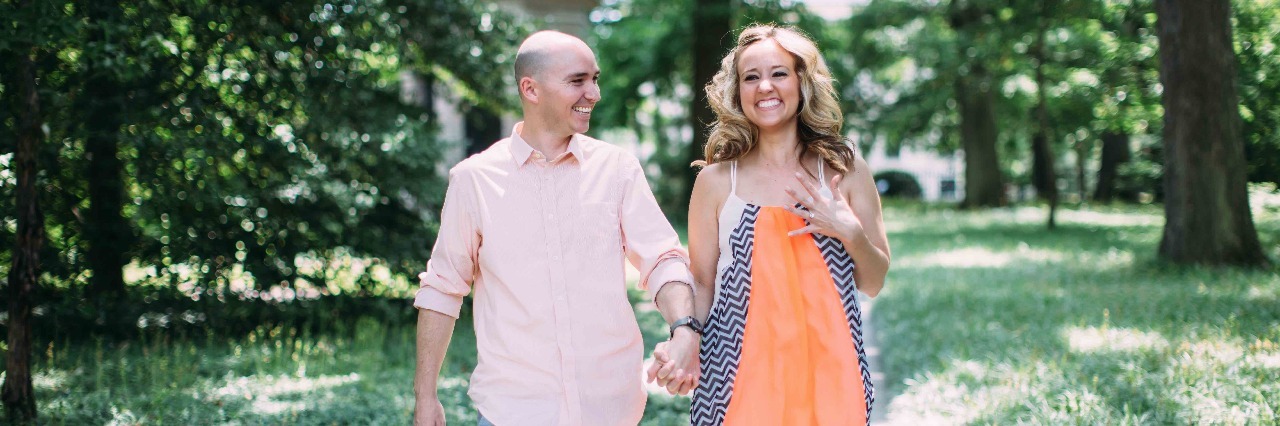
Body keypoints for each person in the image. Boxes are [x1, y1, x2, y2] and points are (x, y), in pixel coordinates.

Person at [412, 30, 701, 426]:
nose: (594, 93)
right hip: (511, 411)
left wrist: (684, 330)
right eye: (577, 81)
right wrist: (425, 396)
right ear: (530, 89)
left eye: (595, 79)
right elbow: (443, 288)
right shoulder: (473, 180)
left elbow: (663, 259)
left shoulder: (617, 169)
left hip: (610, 409)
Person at [683, 24, 891, 425]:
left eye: (779, 73)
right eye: (751, 77)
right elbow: (702, 282)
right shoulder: (715, 181)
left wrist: (850, 232)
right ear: (738, 91)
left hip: (832, 373)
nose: (765, 87)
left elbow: (875, 280)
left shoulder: (845, 171)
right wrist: (686, 338)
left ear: (802, 82)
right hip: (736, 375)